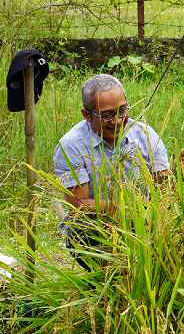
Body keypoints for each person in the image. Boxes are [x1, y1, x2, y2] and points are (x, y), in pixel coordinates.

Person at [53, 74, 176, 264]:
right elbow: (78, 207)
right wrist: (124, 208)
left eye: (122, 111)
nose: (118, 121)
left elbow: (163, 189)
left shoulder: (145, 135)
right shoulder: (70, 146)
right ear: (86, 115)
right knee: (81, 232)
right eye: (107, 115)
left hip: (143, 224)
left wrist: (182, 175)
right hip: (96, 230)